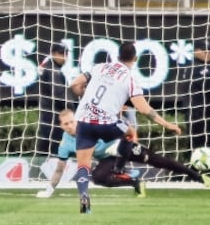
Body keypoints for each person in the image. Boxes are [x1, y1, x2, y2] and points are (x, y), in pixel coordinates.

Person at [69, 42, 182, 214]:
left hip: (84, 121)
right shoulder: (130, 78)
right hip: (107, 122)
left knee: (83, 165)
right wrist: (167, 125)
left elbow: (74, 85)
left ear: (117, 56)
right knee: (129, 132)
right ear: (135, 59)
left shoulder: (99, 67)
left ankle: (84, 199)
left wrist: (86, 96)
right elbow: (144, 110)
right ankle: (119, 169)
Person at [37, 109, 210, 199]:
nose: (70, 126)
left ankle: (198, 177)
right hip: (108, 158)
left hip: (123, 145)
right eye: (66, 124)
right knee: (98, 177)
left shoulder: (91, 122)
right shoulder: (65, 144)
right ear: (61, 126)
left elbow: (119, 126)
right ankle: (135, 183)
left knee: (159, 161)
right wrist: (49, 189)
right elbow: (60, 169)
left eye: (72, 121)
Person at [177, 40, 210, 153]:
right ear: (196, 51)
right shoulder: (200, 68)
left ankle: (194, 169)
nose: (209, 54)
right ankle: (197, 170)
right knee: (203, 149)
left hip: (194, 112)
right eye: (205, 51)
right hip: (200, 114)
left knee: (196, 148)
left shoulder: (189, 67)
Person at [35, 43, 71, 157]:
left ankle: (35, 172)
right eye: (62, 54)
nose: (65, 57)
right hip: (54, 116)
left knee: (45, 148)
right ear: (54, 54)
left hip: (49, 114)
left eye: (66, 54)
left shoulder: (51, 68)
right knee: (54, 148)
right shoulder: (52, 70)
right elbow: (58, 93)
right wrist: (72, 110)